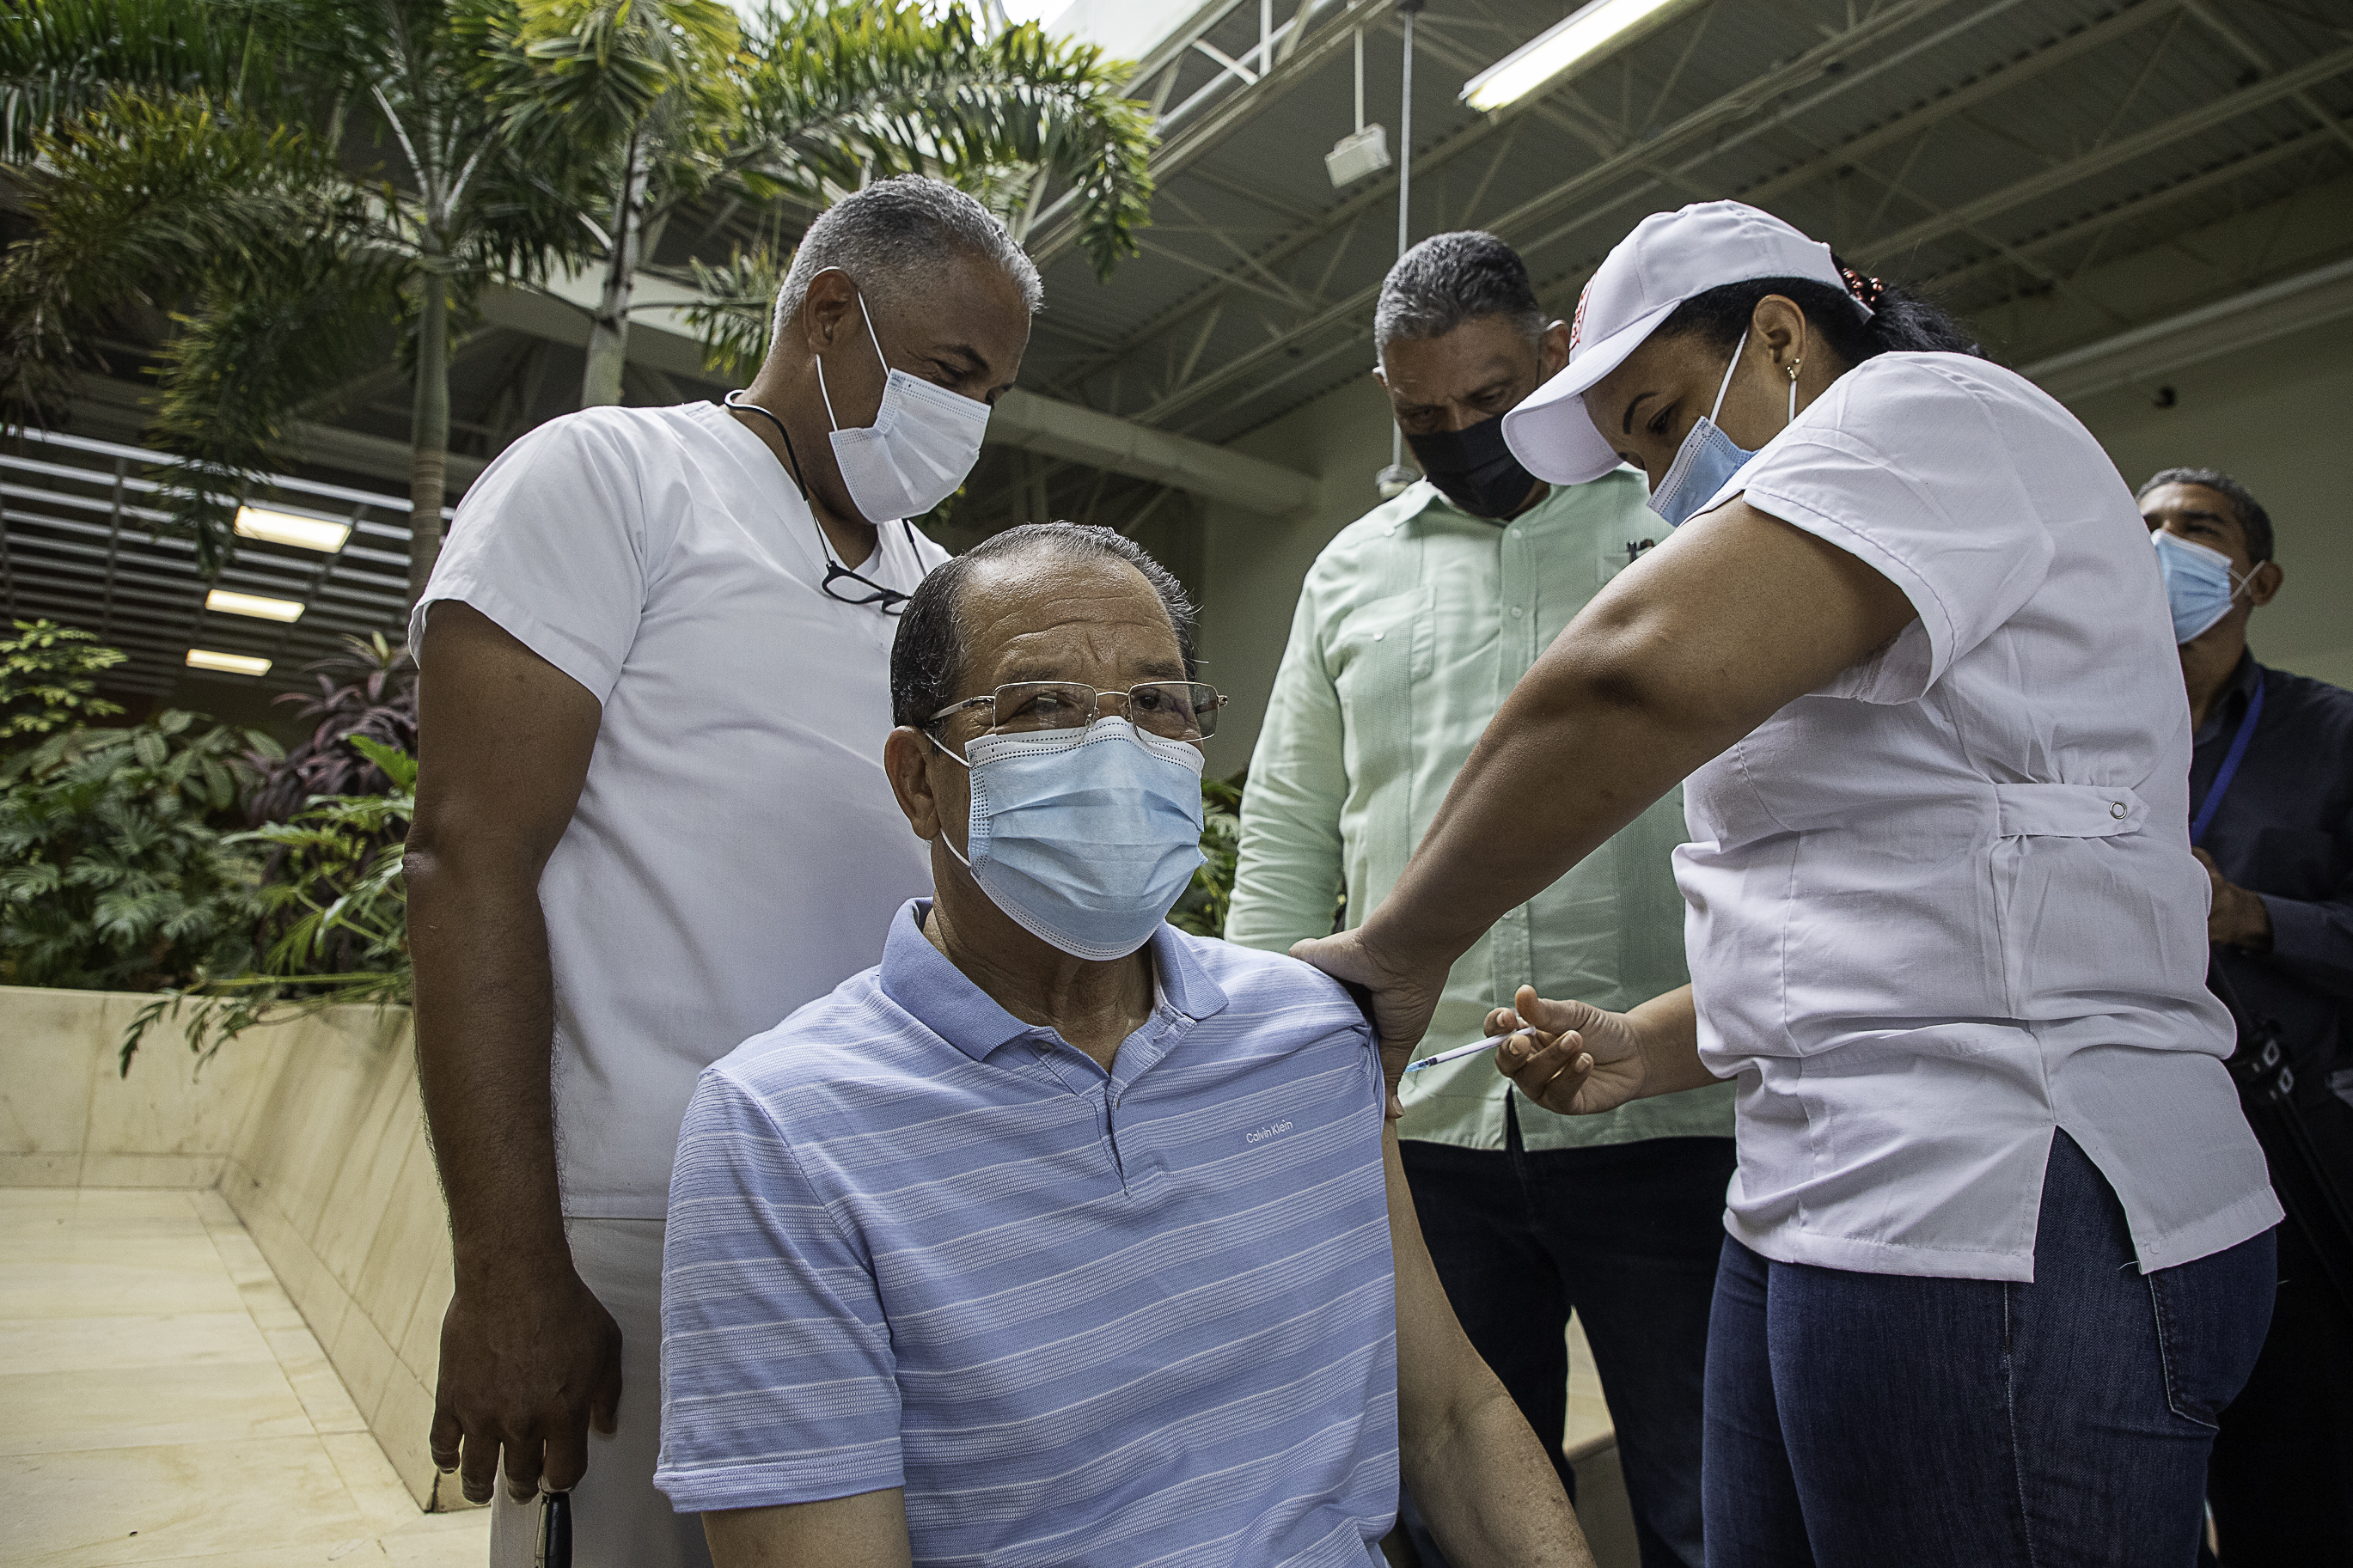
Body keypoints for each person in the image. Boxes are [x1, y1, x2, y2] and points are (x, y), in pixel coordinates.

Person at [1294, 198, 2283, 1566]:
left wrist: (1398, 950)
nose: (1660, 483)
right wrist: (1647, 1044)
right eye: (1638, 454)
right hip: (1830, 1188)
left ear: (1778, 335)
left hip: (2009, 1194)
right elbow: (1879, 894)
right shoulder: (1865, 539)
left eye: (1661, 422)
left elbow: (1626, 677)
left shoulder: (1930, 414)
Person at [653, 523, 1594, 1568]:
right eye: (1039, 705)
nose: (1115, 749)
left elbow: (1451, 1419)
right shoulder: (781, 1132)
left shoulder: (1311, 1035)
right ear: (919, 780)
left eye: (1155, 703)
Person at [402, 174, 1034, 1567]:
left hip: (892, 1222)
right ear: (828, 313)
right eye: (951, 375)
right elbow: (467, 859)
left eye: (992, 394)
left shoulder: (948, 596)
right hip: (650, 1235)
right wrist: (509, 1271)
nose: (970, 423)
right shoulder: (615, 479)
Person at [1229, 230, 1731, 1568]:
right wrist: (1252, 1075)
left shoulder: (1674, 522)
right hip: (1429, 1126)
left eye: (1488, 399)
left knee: (1709, 1501)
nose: (1458, 433)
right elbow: (1289, 827)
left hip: (1665, 1109)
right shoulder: (1350, 572)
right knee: (1454, 1505)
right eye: (1421, 415)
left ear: (1553, 355)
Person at [2140, 466, 2353, 1565]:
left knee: (2303, 1471)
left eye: (2195, 528)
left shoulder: (2329, 735)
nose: (2160, 545)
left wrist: (2248, 916)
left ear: (2256, 580)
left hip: (2303, 1156)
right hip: (2139, 1161)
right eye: (2143, 526)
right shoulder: (2083, 743)